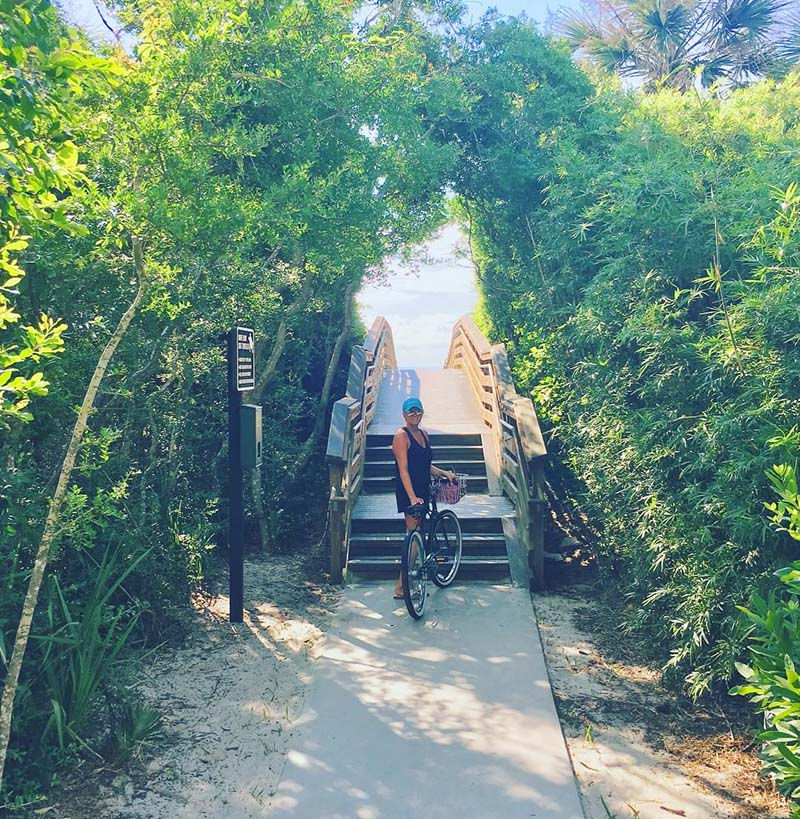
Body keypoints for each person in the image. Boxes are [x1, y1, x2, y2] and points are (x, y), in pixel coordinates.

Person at [392, 396, 456, 599]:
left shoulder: (424, 435)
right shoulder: (401, 436)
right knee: (413, 535)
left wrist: (444, 473)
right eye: (411, 411)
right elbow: (403, 469)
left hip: (424, 488)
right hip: (408, 490)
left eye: (418, 411)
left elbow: (425, 465)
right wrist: (412, 497)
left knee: (418, 534)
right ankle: (401, 587)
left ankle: (410, 579)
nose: (415, 415)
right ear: (404, 414)